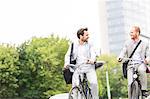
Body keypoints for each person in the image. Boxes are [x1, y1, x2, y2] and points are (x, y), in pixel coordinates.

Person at [64, 27, 99, 99]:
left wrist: (92, 60)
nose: (88, 37)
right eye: (86, 35)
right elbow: (67, 55)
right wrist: (66, 63)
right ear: (81, 36)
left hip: (89, 67)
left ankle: (95, 98)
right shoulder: (73, 45)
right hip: (78, 68)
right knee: (75, 85)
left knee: (93, 83)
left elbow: (93, 53)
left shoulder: (90, 44)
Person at [117, 26, 150, 97]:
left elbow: (148, 55)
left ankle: (144, 90)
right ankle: (131, 96)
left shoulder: (145, 44)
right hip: (130, 65)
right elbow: (123, 51)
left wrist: (147, 59)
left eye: (132, 32)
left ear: (137, 33)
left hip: (140, 63)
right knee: (130, 83)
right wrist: (120, 57)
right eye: (130, 32)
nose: (130, 34)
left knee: (141, 70)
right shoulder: (127, 43)